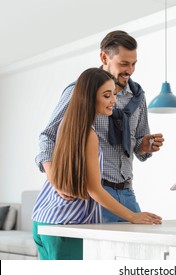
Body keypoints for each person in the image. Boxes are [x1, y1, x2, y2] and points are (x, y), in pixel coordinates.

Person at [32, 68, 162, 260]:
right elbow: (94, 189)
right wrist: (133, 216)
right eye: (107, 95)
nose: (114, 101)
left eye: (113, 94)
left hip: (44, 220)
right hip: (67, 227)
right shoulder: (89, 135)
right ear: (89, 97)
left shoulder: (68, 125)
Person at [35, 30, 164, 222]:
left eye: (134, 64)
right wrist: (57, 182)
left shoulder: (138, 97)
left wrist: (143, 146)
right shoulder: (80, 91)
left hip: (126, 192)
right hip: (94, 193)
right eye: (124, 63)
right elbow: (48, 136)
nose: (130, 70)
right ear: (104, 56)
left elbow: (138, 146)